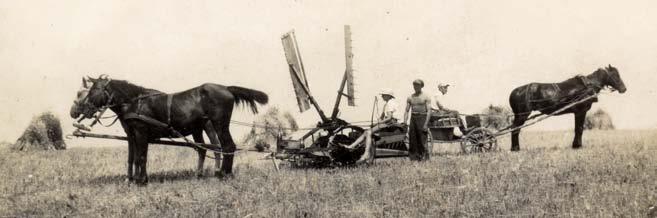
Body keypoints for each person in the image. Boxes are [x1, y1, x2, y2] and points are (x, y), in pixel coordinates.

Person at [403, 79, 432, 161]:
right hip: (413, 119)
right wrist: (405, 121)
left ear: (421, 86)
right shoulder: (410, 97)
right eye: (414, 85)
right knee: (412, 139)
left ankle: (425, 159)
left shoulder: (426, 96)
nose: (416, 87)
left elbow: (429, 111)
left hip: (422, 118)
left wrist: (426, 124)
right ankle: (414, 159)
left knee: (422, 139)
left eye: (418, 85)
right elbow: (406, 110)